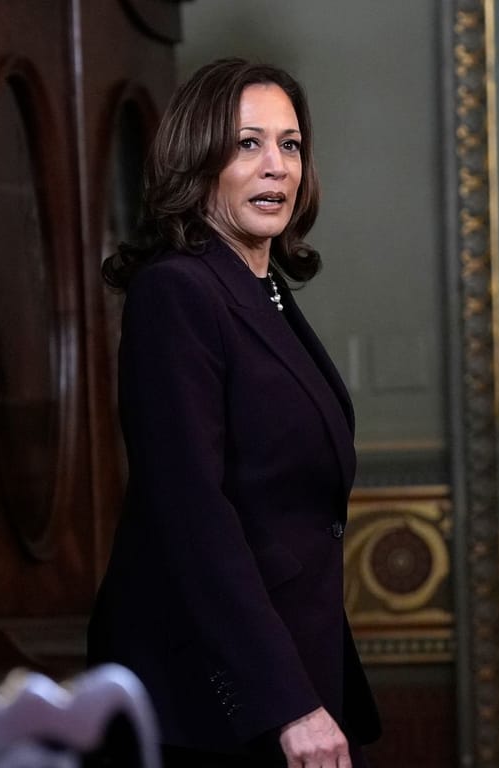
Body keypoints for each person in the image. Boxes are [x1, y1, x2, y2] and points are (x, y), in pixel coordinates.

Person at [87, 58, 381, 767]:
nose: (276, 167)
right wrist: (289, 703)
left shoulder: (264, 292)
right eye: (248, 144)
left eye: (290, 145)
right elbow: (193, 514)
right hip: (211, 699)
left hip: (290, 667)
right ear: (198, 161)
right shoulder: (177, 293)